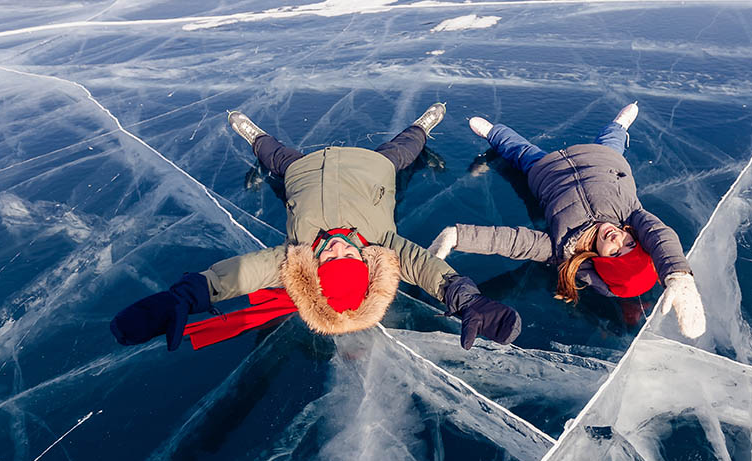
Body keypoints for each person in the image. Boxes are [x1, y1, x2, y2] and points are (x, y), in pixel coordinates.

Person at [110, 103, 522, 352]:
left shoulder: (293, 255)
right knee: (406, 150)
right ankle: (423, 126)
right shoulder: (385, 247)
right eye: (348, 255)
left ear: (314, 268)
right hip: (372, 169)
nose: (337, 246)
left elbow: (237, 275)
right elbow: (429, 270)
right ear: (365, 261)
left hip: (303, 173)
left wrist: (186, 295)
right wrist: (467, 301)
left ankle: (253, 135)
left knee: (274, 156)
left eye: (329, 258)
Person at [427, 103, 706, 339]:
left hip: (548, 171)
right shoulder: (631, 214)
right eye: (630, 241)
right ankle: (620, 125)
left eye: (615, 252)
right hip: (604, 159)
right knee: (612, 138)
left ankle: (494, 132)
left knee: (519, 151)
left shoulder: (561, 246)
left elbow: (513, 242)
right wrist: (678, 274)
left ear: (597, 259)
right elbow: (660, 237)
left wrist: (457, 236)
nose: (617, 238)